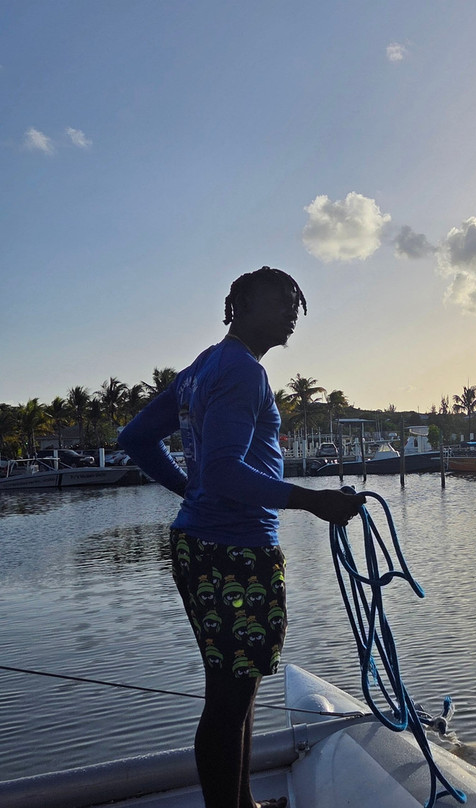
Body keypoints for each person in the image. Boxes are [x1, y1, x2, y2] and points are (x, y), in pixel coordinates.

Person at [119, 266, 362, 808]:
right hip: (234, 549)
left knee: (238, 685)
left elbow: (134, 437)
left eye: (295, 303)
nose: (291, 312)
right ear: (242, 306)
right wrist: (315, 501)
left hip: (204, 542)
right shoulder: (242, 371)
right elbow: (226, 471)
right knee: (230, 699)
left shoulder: (202, 367)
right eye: (280, 301)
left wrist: (190, 490)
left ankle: (243, 803)